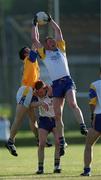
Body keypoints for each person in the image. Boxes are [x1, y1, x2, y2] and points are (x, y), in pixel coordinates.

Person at [31, 13, 88, 156]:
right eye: (49, 41)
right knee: (57, 115)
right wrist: (34, 24)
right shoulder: (44, 54)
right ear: (47, 45)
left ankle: (82, 126)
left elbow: (58, 32)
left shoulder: (61, 49)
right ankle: (61, 141)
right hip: (56, 84)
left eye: (53, 40)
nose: (52, 41)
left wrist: (50, 21)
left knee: (73, 104)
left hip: (67, 80)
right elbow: (35, 39)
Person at [31, 80, 61, 174]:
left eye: (42, 91)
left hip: (54, 120)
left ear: (45, 88)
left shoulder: (51, 91)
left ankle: (57, 166)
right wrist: (41, 103)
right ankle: (40, 168)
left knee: (58, 142)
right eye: (38, 92)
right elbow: (31, 105)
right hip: (44, 121)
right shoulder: (36, 95)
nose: (41, 93)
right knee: (42, 143)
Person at [81, 68, 101, 176]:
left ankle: (87, 170)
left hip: (99, 117)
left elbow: (92, 102)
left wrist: (92, 116)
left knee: (89, 144)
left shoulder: (95, 84)